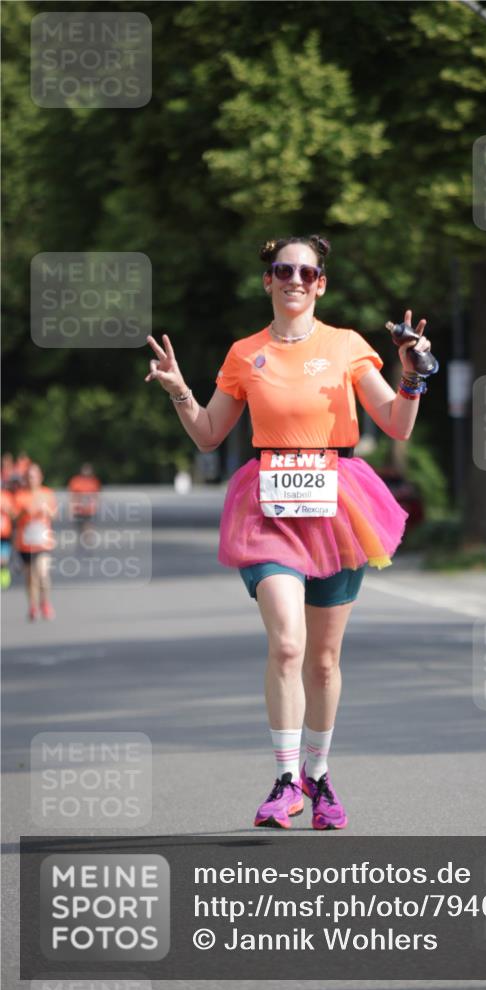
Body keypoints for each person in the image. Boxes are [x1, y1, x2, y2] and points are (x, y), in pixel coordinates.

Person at [145, 234, 433, 830]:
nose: (295, 279)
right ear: (269, 280)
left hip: (337, 508)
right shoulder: (244, 353)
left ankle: (319, 776)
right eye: (284, 269)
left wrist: (412, 375)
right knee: (289, 644)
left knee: (324, 661)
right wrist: (179, 390)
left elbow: (398, 426)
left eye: (307, 271)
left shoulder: (348, 346)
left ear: (320, 283)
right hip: (268, 509)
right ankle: (284, 781)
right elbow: (208, 435)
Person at [13, 463, 58, 620]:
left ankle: (45, 603)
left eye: (34, 476)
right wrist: (23, 513)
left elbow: (54, 515)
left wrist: (47, 511)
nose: (31, 479)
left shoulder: (47, 494)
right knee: (31, 577)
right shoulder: (20, 495)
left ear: (40, 477)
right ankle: (32, 606)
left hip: (43, 542)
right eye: (29, 477)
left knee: (43, 573)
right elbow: (14, 518)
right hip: (26, 543)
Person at [67, 462, 101, 541]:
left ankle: (87, 545)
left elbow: (97, 496)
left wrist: (96, 506)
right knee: (81, 530)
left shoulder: (94, 481)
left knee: (88, 529)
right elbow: (72, 497)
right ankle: (83, 546)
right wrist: (71, 510)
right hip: (79, 510)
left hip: (89, 511)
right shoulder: (76, 481)